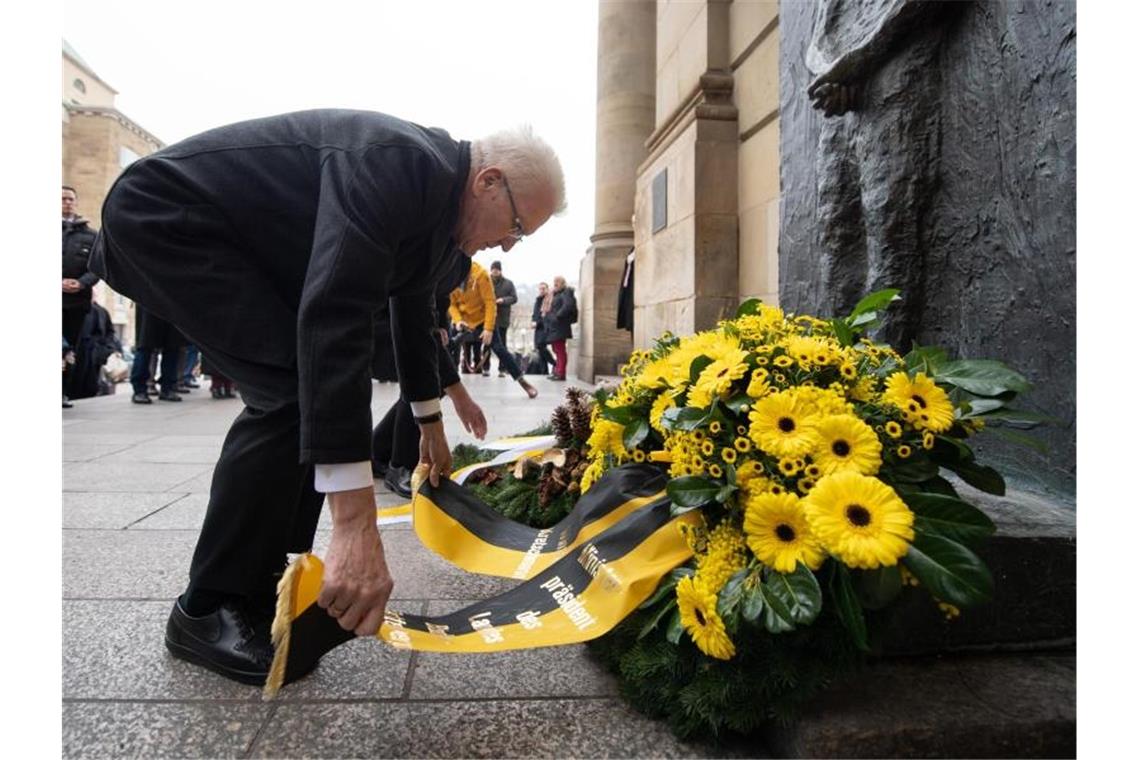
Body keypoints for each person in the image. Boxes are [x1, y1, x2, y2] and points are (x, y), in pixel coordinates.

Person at [89, 110, 564, 685]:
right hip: (167, 219)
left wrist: (430, 420)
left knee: (305, 390)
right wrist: (355, 525)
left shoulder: (445, 224)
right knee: (292, 392)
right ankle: (205, 608)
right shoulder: (397, 165)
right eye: (516, 225)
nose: (510, 246)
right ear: (488, 181)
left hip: (245, 248)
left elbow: (412, 314)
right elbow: (335, 314)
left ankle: (257, 583)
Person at [372, 257, 487, 497]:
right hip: (382, 316)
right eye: (515, 226)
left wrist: (440, 325)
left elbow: (438, 300)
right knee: (421, 378)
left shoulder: (460, 260)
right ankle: (400, 463)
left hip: (415, 318)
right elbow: (412, 318)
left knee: (432, 377)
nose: (507, 245)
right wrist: (459, 399)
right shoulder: (431, 237)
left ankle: (378, 449)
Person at [62, 185, 101, 407]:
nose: (66, 202)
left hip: (76, 302)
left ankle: (63, 391)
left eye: (70, 199)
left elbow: (97, 266)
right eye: (62, 198)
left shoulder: (89, 235)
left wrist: (81, 283)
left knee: (69, 350)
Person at [486, 261, 538, 398]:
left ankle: (502, 369)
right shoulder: (486, 281)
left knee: (501, 345)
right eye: (493, 269)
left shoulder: (508, 283)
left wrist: (503, 300)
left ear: (500, 271)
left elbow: (514, 298)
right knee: (486, 344)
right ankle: (485, 368)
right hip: (487, 318)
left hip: (502, 318)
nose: (495, 272)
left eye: (497, 270)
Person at [129, 306, 187, 404]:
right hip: (149, 301)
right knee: (145, 345)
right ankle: (139, 390)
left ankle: (168, 387)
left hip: (172, 302)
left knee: (173, 346)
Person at [448, 259, 497, 375]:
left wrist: (488, 327)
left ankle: (481, 367)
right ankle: (456, 370)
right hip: (463, 320)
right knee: (457, 344)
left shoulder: (480, 274)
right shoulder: (450, 276)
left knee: (479, 345)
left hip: (480, 320)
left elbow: (490, 302)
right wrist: (458, 320)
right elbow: (451, 303)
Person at [544, 275, 576, 381]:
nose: (555, 283)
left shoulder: (566, 292)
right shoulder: (557, 294)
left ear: (563, 283)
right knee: (556, 350)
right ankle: (557, 371)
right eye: (554, 281)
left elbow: (568, 306)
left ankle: (561, 373)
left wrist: (557, 316)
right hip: (555, 326)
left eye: (558, 281)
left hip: (560, 326)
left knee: (560, 350)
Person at [530, 281, 556, 374]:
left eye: (543, 288)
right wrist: (533, 321)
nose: (541, 290)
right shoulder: (538, 299)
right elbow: (535, 313)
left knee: (541, 346)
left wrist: (537, 322)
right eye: (540, 289)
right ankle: (544, 371)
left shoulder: (549, 299)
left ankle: (554, 363)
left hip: (545, 327)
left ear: (547, 289)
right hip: (537, 327)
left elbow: (547, 314)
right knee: (539, 348)